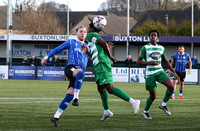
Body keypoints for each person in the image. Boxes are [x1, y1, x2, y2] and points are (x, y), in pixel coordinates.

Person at [81, 16, 140, 122]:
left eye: (88, 28)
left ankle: (134, 102)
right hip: (98, 64)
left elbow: (103, 44)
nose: (87, 31)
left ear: (93, 28)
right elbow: (97, 51)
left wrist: (111, 56)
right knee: (100, 88)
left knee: (110, 88)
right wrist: (87, 52)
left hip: (103, 64)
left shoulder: (90, 35)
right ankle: (106, 111)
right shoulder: (93, 38)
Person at [41, 25, 89, 127]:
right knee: (81, 73)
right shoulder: (71, 42)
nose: (83, 33)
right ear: (76, 33)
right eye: (80, 31)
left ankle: (55, 117)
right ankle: (76, 98)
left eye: (85, 31)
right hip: (71, 68)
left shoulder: (88, 46)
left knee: (69, 96)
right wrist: (46, 57)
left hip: (78, 74)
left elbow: (95, 57)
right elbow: (58, 49)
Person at [137, 30, 178, 119]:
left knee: (171, 86)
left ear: (157, 38)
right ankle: (145, 111)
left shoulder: (161, 48)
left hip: (159, 71)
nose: (153, 36)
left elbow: (166, 61)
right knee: (153, 96)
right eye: (151, 35)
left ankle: (163, 104)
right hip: (149, 74)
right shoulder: (145, 48)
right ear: (149, 37)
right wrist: (149, 63)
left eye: (155, 35)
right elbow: (138, 61)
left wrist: (174, 72)